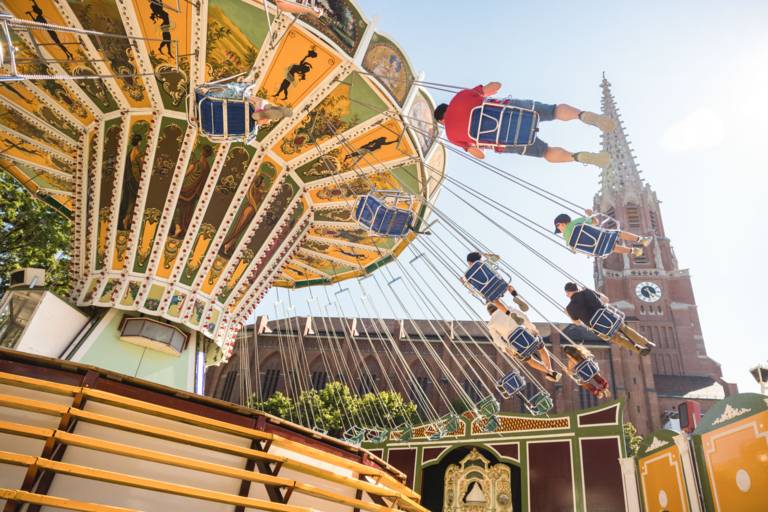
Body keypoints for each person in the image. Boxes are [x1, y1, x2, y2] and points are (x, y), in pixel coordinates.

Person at [433, 81, 615, 168]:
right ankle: (582, 115)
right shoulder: (461, 97)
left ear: (442, 120)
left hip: (507, 141)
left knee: (545, 152)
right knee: (553, 110)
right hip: (514, 112)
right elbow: (495, 86)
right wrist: (482, 93)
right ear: (447, 105)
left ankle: (578, 157)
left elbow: (478, 154)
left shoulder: (451, 135)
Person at [564, 282, 653, 355]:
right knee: (625, 329)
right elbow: (606, 300)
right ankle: (646, 343)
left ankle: (639, 350)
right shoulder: (587, 292)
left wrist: (569, 314)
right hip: (609, 318)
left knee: (618, 339)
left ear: (568, 293)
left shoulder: (570, 308)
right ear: (577, 289)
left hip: (599, 329)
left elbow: (577, 323)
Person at [487, 303, 561, 382]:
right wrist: (532, 329)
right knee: (542, 349)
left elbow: (497, 340)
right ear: (497, 305)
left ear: (490, 313)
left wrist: (507, 349)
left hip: (518, 347)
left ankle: (549, 371)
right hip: (528, 337)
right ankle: (551, 371)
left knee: (530, 361)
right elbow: (524, 317)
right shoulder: (509, 309)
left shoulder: (491, 324)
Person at [554, 209, 652, 257]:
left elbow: (574, 250)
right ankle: (641, 239)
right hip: (602, 237)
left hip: (596, 250)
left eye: (558, 228)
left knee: (611, 248)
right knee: (617, 233)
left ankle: (633, 251)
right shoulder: (577, 221)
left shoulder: (566, 239)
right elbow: (596, 222)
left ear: (560, 224)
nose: (560, 231)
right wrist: (590, 214)